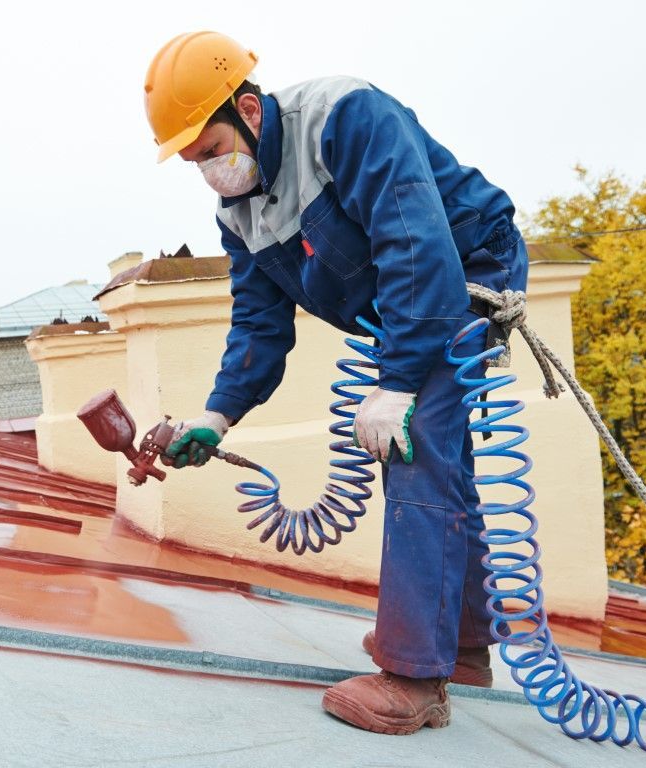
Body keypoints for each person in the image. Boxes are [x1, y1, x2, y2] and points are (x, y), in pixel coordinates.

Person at [144, 31, 529, 735]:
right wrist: (217, 417)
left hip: (464, 269)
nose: (209, 172)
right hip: (405, 294)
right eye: (194, 162)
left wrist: (399, 382)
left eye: (211, 150)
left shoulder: (345, 118)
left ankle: (415, 680)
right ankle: (464, 648)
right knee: (436, 449)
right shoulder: (240, 214)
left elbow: (417, 244)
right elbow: (259, 327)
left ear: (252, 111)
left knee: (412, 445)